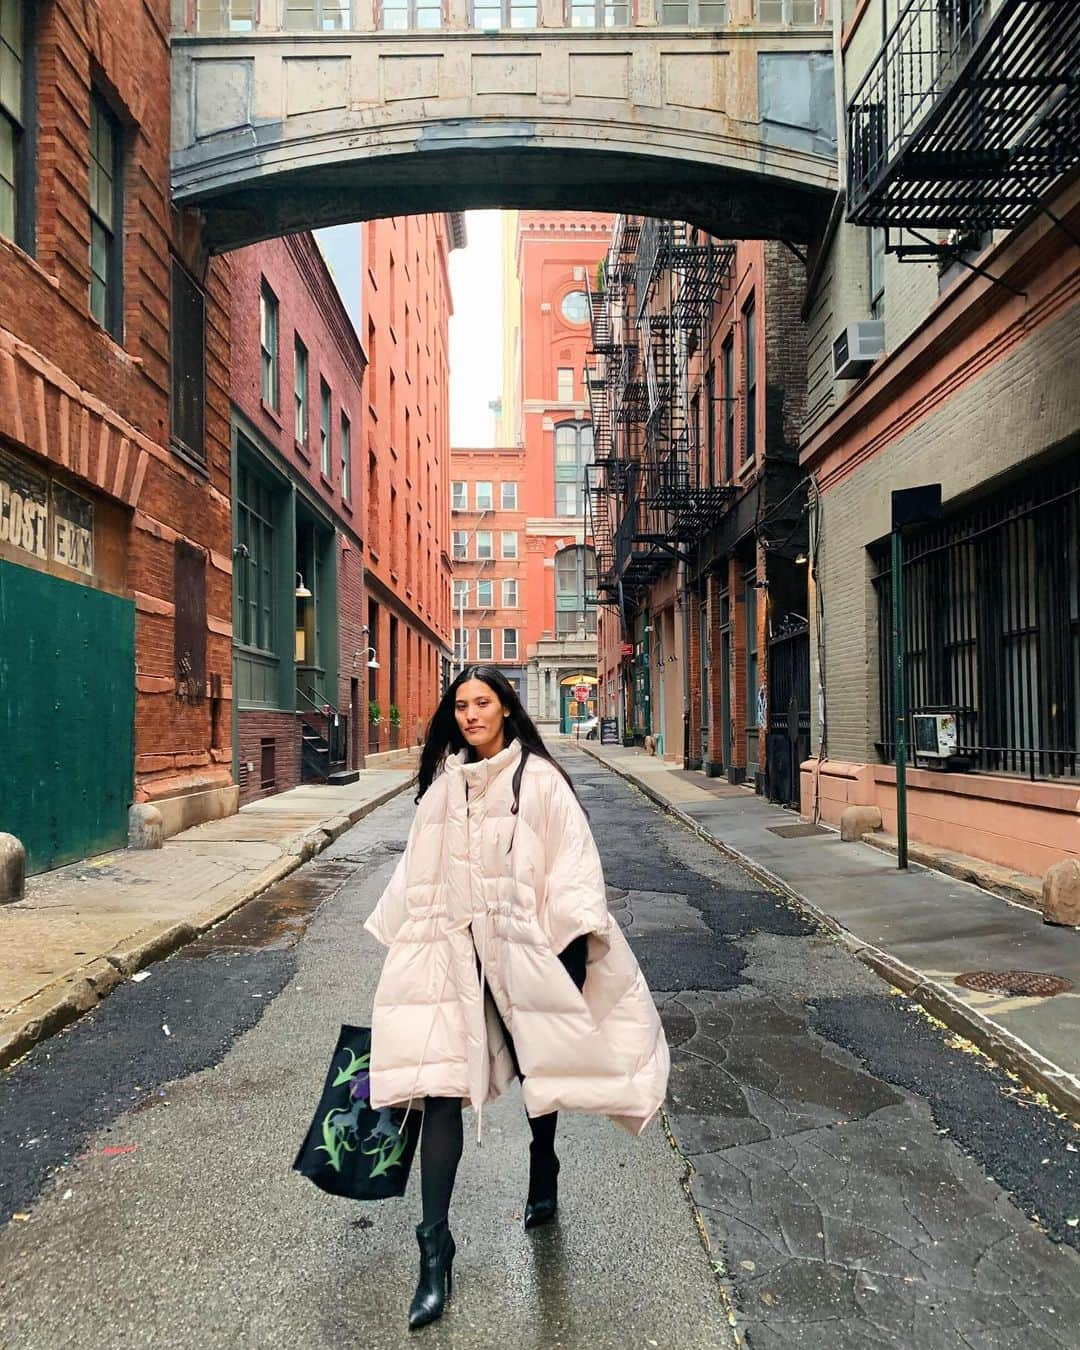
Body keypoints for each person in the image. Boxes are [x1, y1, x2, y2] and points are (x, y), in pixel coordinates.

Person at [364, 666, 670, 1330]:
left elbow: (573, 863)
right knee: (438, 1089)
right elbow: (416, 872)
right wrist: (405, 953)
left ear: (506, 708)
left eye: (483, 702)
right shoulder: (443, 787)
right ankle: (434, 1247)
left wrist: (567, 952)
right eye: (462, 705)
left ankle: (543, 1162)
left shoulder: (539, 781)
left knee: (541, 1069)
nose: (472, 713)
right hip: (452, 958)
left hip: (524, 956)